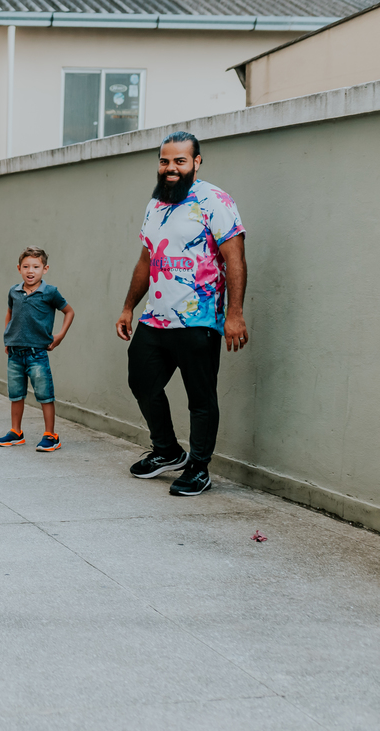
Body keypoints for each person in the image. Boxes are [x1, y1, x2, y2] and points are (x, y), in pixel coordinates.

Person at [115, 131, 248, 497]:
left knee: (200, 398)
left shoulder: (214, 200)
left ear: (196, 162)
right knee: (142, 381)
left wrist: (234, 314)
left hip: (198, 319)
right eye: (164, 161)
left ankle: (199, 468)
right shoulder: (156, 204)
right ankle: (167, 450)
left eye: (179, 161)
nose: (170, 168)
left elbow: (235, 259)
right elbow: (146, 260)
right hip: (155, 318)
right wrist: (128, 307)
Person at [0, 247, 75, 451]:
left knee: (45, 395)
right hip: (14, 353)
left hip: (37, 354)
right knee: (16, 394)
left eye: (36, 267)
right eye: (26, 266)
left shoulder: (50, 292)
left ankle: (51, 435)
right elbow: (10, 313)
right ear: (19, 268)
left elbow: (69, 312)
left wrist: (60, 336)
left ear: (45, 269)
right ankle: (16, 432)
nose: (30, 271)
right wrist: (7, 338)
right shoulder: (14, 291)